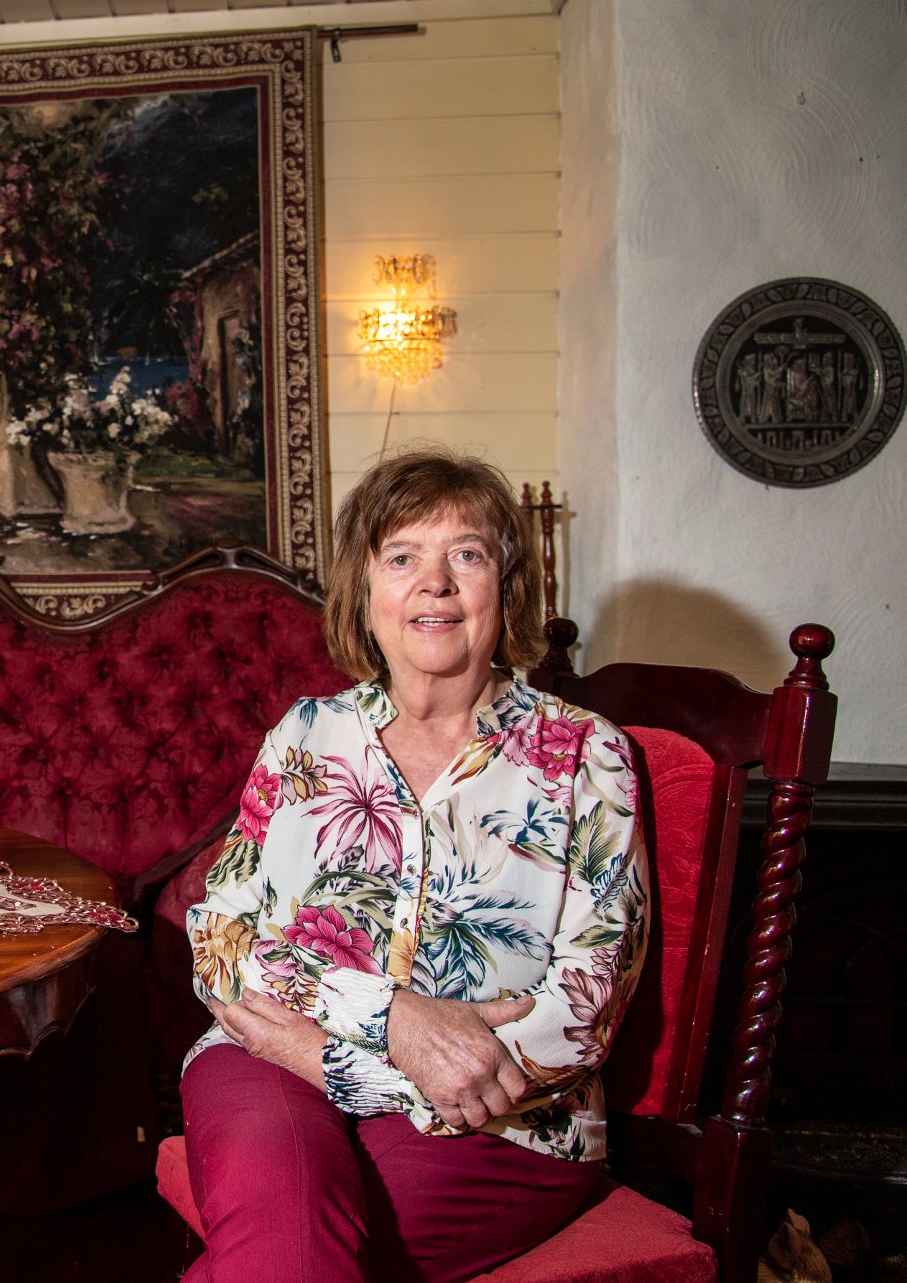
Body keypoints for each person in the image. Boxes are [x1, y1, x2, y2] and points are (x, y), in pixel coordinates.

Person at [181, 445, 650, 1281]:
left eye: (466, 555)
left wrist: (344, 1065)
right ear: (365, 592)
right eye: (401, 558)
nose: (434, 584)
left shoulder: (586, 754)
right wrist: (394, 1020)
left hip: (503, 1118)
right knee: (284, 1221)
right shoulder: (306, 734)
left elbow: (584, 1010)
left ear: (508, 587)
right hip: (268, 1061)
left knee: (296, 1250)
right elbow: (219, 936)